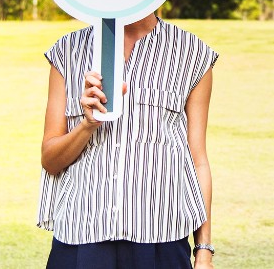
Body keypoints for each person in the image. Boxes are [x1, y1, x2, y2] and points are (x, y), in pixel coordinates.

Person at [38, 13, 217, 269]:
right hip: (80, 235)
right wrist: (87, 125)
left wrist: (204, 250)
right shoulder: (67, 50)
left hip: (160, 238)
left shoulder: (192, 53)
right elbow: (50, 160)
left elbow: (197, 159)